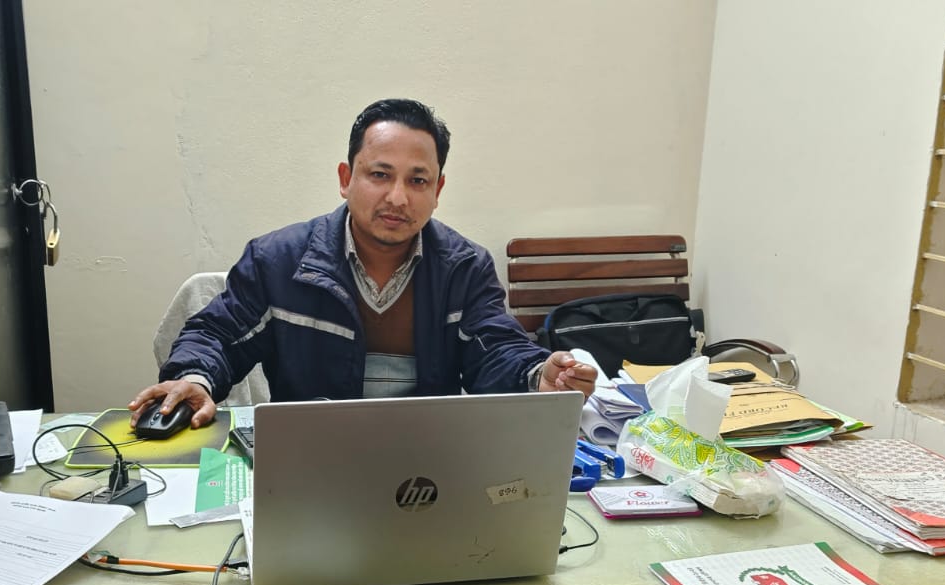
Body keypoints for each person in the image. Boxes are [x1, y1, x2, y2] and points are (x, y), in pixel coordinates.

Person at [130, 98, 597, 427]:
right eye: (379, 174)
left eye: (417, 181)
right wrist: (194, 377)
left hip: (429, 461)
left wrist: (537, 374)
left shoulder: (464, 268)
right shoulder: (277, 261)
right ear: (346, 178)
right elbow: (216, 334)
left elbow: (495, 349)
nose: (397, 197)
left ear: (437, 190)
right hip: (311, 456)